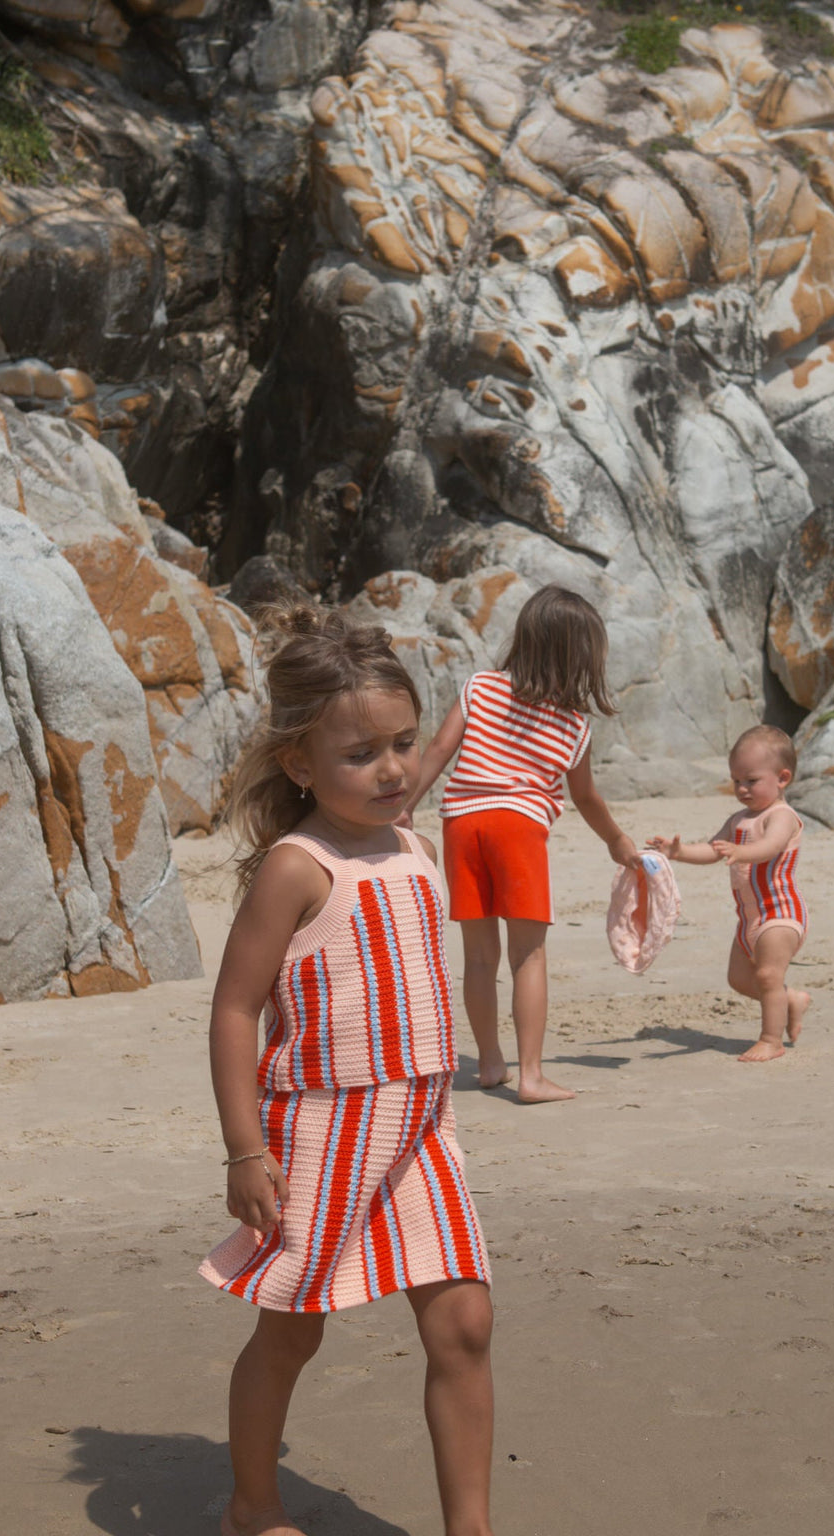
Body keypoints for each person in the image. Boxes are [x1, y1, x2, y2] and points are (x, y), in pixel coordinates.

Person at [199, 606, 495, 1536]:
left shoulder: (414, 846)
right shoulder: (297, 867)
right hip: (323, 1135)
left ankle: (471, 1527)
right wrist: (244, 1150)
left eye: (405, 744)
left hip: (422, 1128)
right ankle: (253, 1506)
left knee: (465, 1326)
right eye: (362, 754)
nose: (394, 769)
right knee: (292, 1329)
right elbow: (234, 1009)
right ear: (300, 764)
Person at [400, 584, 637, 1104]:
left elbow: (438, 748)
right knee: (528, 955)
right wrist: (617, 841)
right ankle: (530, 1075)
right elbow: (586, 797)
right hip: (519, 829)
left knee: (478, 957)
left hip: (462, 825)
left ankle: (489, 1062)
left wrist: (405, 806)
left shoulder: (481, 687)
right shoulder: (573, 725)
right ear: (582, 657)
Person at [647, 724, 810, 1063]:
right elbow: (712, 850)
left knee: (767, 975)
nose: (742, 789)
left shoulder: (782, 816)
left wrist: (741, 852)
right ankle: (791, 999)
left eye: (751, 780)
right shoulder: (737, 819)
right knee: (739, 980)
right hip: (748, 918)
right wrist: (678, 852)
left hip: (779, 912)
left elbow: (770, 847)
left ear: (782, 778)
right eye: (736, 781)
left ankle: (771, 1040)